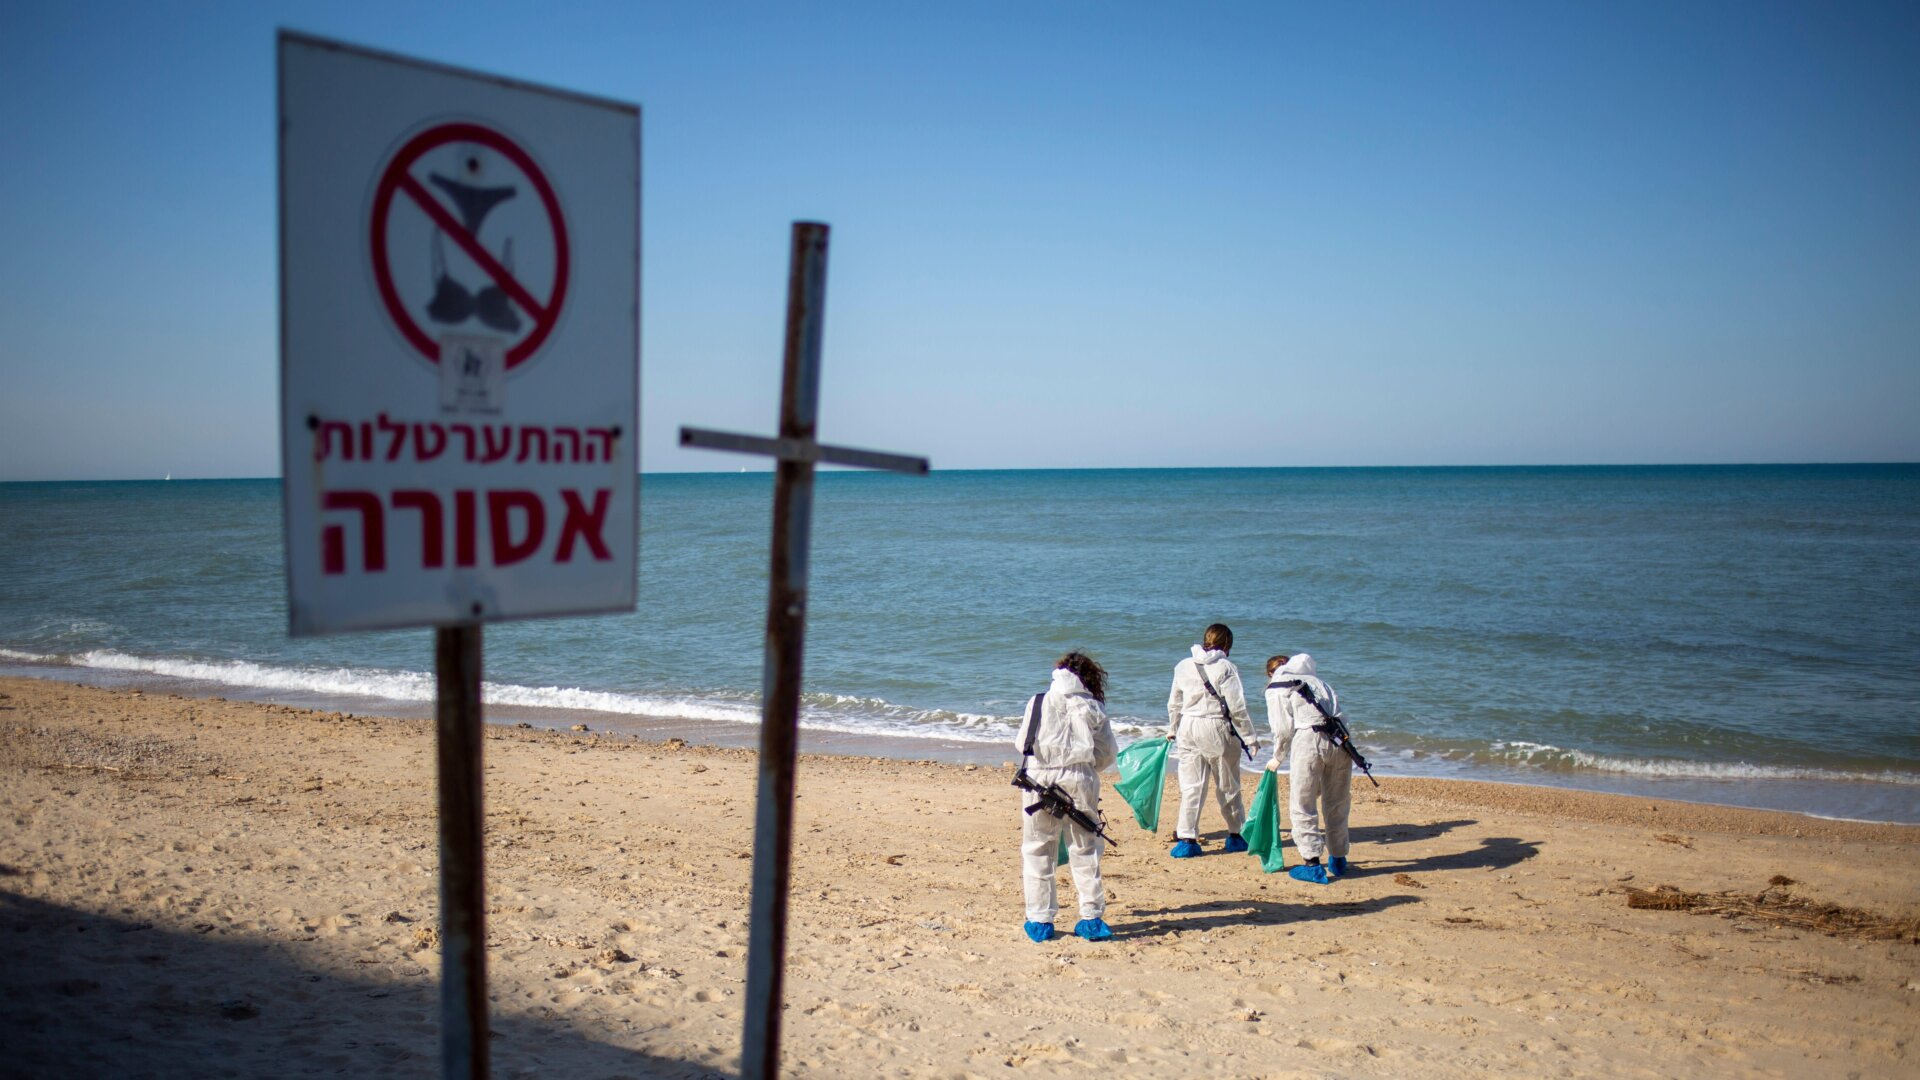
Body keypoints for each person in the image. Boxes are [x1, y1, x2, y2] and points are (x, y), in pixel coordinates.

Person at [1014, 651, 1119, 943]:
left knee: (1037, 850)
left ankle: (1040, 921)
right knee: (1085, 849)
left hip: (1038, 779)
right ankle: (1092, 918)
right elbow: (1107, 753)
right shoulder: (1092, 706)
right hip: (1079, 779)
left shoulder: (1037, 701)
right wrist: (1084, 768)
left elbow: (1023, 742)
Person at [1165, 624, 1261, 858]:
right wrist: (1250, 737)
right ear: (1227, 644)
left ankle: (1187, 838)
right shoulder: (1226, 667)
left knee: (1191, 786)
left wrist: (1173, 728)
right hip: (1216, 726)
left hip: (1188, 726)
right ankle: (1236, 834)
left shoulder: (1183, 665)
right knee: (1227, 784)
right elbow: (1237, 707)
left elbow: (1174, 703)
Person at [1265, 652, 1353, 884]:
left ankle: (1312, 863)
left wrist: (1277, 756)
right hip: (1342, 741)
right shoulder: (1320, 682)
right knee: (1337, 802)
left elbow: (1282, 729)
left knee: (1302, 802)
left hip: (1309, 740)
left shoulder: (1277, 685)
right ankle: (1339, 857)